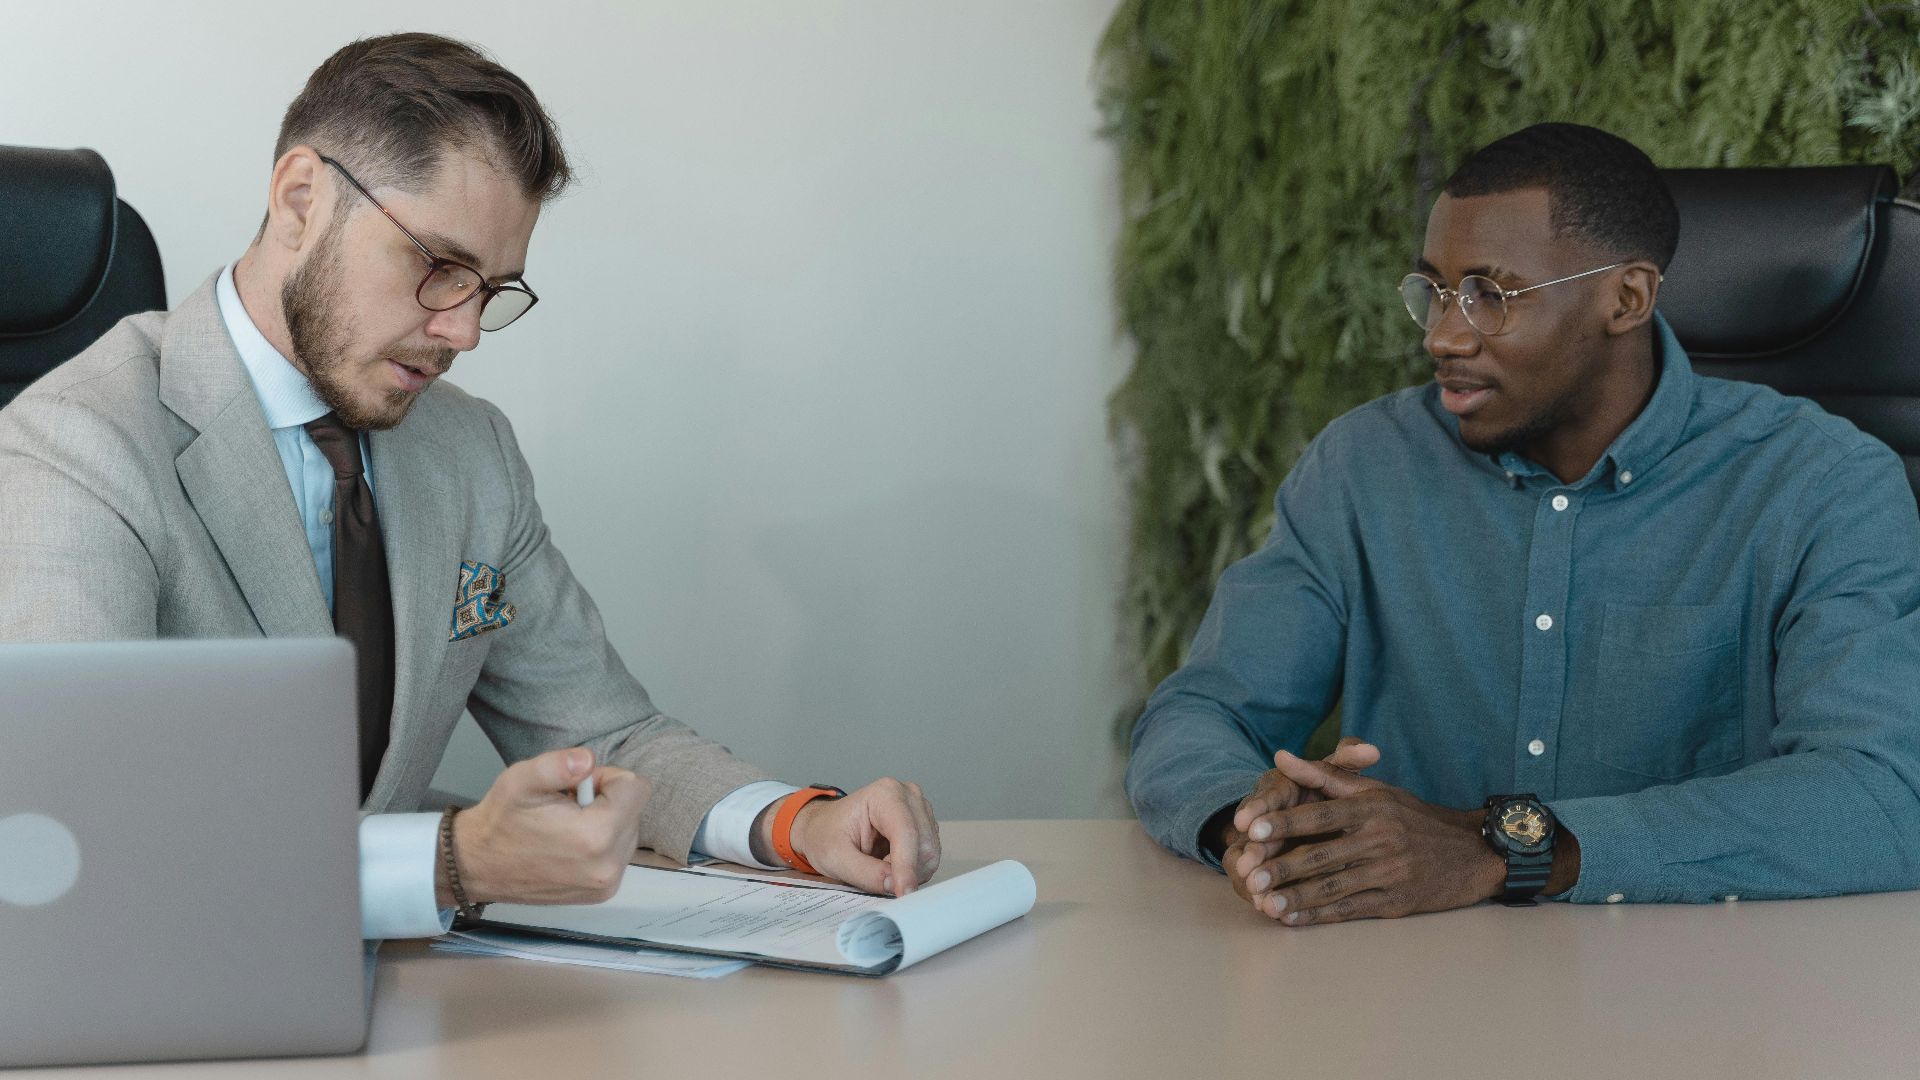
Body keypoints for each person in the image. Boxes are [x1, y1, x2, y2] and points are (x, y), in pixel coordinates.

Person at [0, 33, 939, 938]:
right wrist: (454, 863)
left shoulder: (471, 451)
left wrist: (794, 824)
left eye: (491, 289)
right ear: (299, 200)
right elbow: (82, 839)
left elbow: (608, 735)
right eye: (439, 268)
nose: (464, 334)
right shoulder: (73, 446)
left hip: (414, 1002)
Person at [1125, 122, 1920, 925]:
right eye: (1433, 290)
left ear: (1627, 298)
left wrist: (1496, 847)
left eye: (1489, 296)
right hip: (1406, 978)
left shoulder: (1822, 485)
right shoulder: (1366, 466)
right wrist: (1265, 827)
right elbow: (1199, 715)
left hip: (1698, 990)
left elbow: (1884, 795)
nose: (1443, 334)